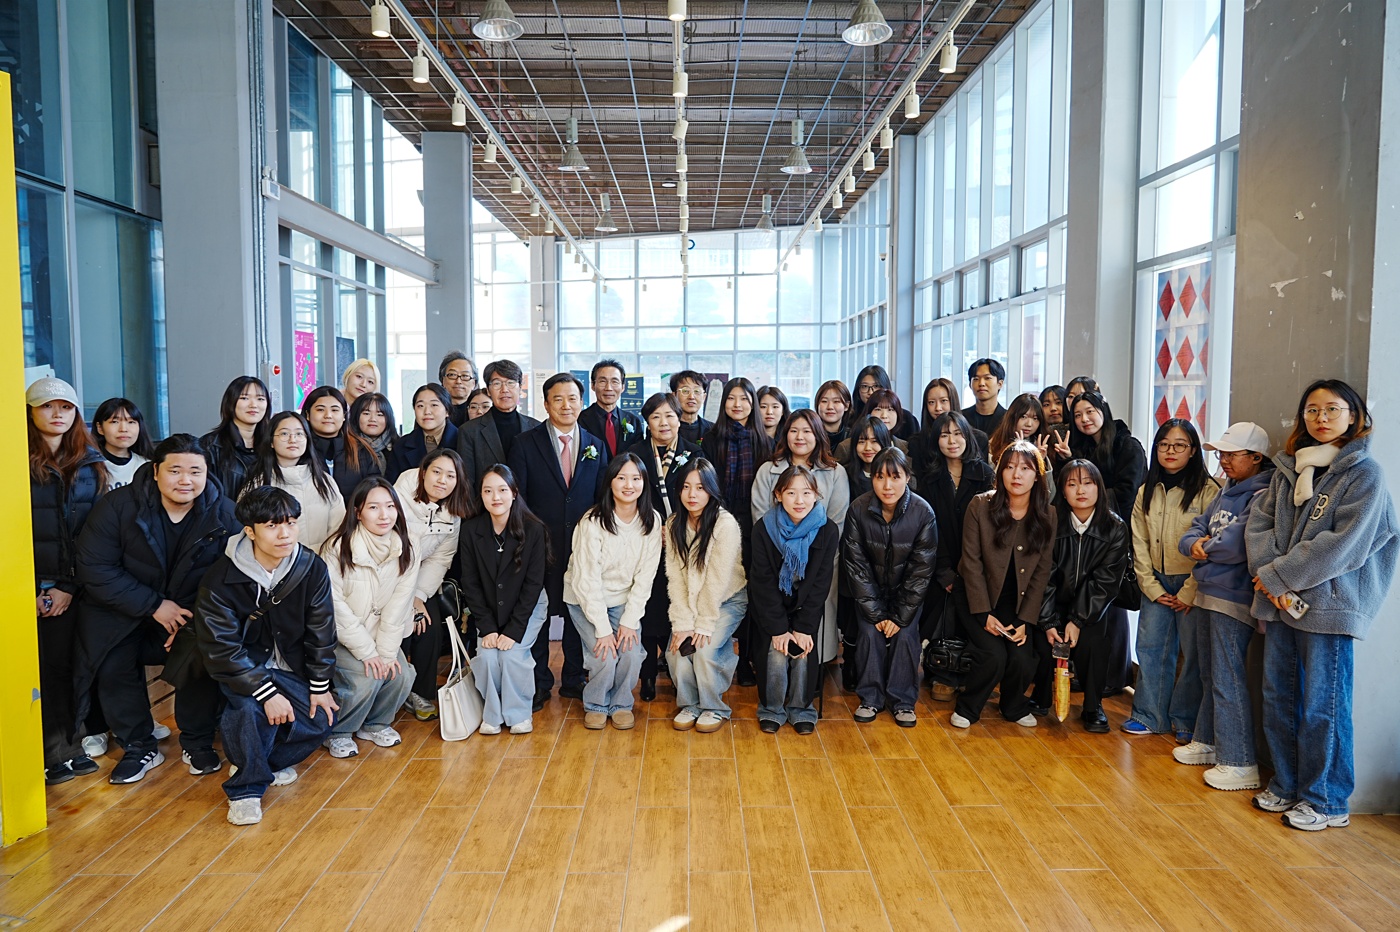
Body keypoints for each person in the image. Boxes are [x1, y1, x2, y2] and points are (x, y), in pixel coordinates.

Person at [1247, 379, 1397, 831]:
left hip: (1329, 606)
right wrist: (1272, 579)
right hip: (1282, 603)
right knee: (1279, 696)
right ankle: (1289, 784)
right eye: (1313, 410)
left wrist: (1276, 577)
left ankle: (1327, 799)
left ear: (1354, 417)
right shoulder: (1287, 468)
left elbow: (1344, 545)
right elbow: (1261, 526)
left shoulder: (1364, 474)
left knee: (1323, 705)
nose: (1322, 418)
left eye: (1333, 410)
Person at [74, 433, 240, 783]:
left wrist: (188, 617)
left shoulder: (224, 512)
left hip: (188, 612)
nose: (186, 480)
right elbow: (94, 568)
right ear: (154, 472)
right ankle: (138, 744)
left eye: (195, 471)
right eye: (175, 470)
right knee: (113, 658)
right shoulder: (118, 506)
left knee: (200, 651)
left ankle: (195, 740)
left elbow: (231, 575)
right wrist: (154, 605)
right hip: (121, 607)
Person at [193, 486, 338, 826]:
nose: (285, 533)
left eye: (291, 522)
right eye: (272, 525)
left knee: (323, 719)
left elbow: (322, 630)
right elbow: (221, 646)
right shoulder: (221, 576)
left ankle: (259, 760)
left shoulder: (310, 566)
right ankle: (246, 789)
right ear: (250, 531)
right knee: (247, 710)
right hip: (242, 669)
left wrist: (319, 684)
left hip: (291, 668)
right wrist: (267, 692)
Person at [1174, 422, 1274, 787]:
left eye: (1232, 454)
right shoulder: (1226, 490)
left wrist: (1205, 549)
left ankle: (1240, 760)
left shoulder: (1262, 493)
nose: (1224, 460)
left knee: (1227, 677)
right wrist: (1195, 545)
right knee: (1209, 673)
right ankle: (1209, 740)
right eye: (1222, 454)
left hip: (1234, 598)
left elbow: (1237, 545)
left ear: (1255, 458)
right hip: (1208, 591)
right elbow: (1194, 528)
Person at [507, 372, 608, 709]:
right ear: (546, 403)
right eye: (558, 399)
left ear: (582, 402)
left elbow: (600, 499)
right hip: (538, 546)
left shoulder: (596, 445)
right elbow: (517, 498)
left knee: (578, 613)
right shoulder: (524, 443)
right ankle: (538, 682)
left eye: (573, 398)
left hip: (581, 547)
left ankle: (575, 678)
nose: (566, 405)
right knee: (538, 613)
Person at [27, 377, 108, 784]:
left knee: (76, 667)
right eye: (47, 407)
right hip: (30, 586)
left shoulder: (90, 463)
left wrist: (67, 586)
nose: (57, 414)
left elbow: (93, 534)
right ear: (30, 412)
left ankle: (71, 744)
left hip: (76, 587)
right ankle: (49, 751)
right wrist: (37, 587)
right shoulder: (16, 462)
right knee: (45, 671)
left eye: (65, 407)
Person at [1122, 418, 1219, 741]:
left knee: (1191, 655)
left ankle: (1186, 720)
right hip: (1156, 583)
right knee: (1151, 649)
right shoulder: (1146, 491)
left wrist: (1190, 590)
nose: (1170, 451)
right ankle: (1150, 715)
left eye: (1179, 445)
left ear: (1193, 451)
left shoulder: (1209, 492)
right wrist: (1149, 585)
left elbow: (1213, 543)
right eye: (1164, 444)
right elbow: (1138, 541)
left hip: (1194, 582)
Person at [953, 440, 1056, 729]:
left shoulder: (1048, 514)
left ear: (1037, 475)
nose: (1016, 475)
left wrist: (1026, 620)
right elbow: (970, 563)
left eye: (1025, 468)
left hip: (1017, 603)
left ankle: (1012, 706)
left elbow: (1041, 573)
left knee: (1024, 658)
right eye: (1009, 467)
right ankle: (969, 706)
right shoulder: (980, 505)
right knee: (994, 655)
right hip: (977, 597)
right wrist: (984, 614)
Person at [320, 477, 419, 758]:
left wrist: (386, 654)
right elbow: (335, 606)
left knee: (400, 674)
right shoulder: (337, 547)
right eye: (374, 507)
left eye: (390, 506)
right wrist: (367, 652)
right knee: (366, 678)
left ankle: (375, 723)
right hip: (341, 636)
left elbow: (399, 605)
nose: (384, 514)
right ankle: (338, 731)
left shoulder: (407, 547)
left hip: (381, 633)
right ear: (357, 512)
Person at [563, 453, 663, 730]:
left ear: (644, 482)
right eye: (621, 478)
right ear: (610, 482)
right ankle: (596, 703)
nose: (628, 484)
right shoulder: (592, 521)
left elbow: (645, 577)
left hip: (624, 598)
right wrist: (603, 628)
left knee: (631, 652)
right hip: (585, 598)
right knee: (603, 654)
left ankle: (620, 703)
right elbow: (586, 580)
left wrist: (629, 622)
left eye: (636, 478)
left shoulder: (651, 521)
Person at [843, 447, 937, 727]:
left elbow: (921, 572)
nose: (887, 485)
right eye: (880, 477)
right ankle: (870, 698)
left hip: (906, 597)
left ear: (907, 477)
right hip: (869, 596)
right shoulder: (858, 509)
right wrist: (877, 614)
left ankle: (903, 701)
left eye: (895, 477)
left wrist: (897, 617)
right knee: (869, 634)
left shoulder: (923, 512)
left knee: (906, 636)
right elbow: (856, 567)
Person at [1062, 390, 1146, 695]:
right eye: (1078, 414)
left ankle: (1115, 675)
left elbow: (1129, 491)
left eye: (1090, 412)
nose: (1085, 419)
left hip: (1118, 531)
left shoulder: (1127, 444)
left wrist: (1094, 503)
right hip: (1087, 530)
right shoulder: (1084, 446)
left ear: (1104, 410)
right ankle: (1091, 673)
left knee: (1113, 600)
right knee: (1090, 600)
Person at [1038, 459, 1129, 733]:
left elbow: (1105, 582)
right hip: (1053, 604)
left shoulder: (1115, 527)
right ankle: (1040, 697)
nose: (1081, 490)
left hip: (1092, 608)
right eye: (1072, 484)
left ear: (1099, 488)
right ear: (1062, 490)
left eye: (1088, 483)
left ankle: (1093, 705)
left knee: (1095, 641)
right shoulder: (1050, 521)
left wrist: (1077, 619)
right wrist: (1049, 620)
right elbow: (1044, 576)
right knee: (1041, 639)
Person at [752, 410, 849, 665]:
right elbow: (760, 515)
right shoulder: (768, 470)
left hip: (818, 555)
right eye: (794, 430)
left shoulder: (835, 471)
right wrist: (786, 546)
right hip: (775, 554)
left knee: (814, 611)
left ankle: (816, 661)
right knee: (773, 608)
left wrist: (808, 548)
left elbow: (836, 521)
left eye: (807, 431)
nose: (800, 437)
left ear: (817, 435)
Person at [462, 465, 550, 735]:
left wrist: (512, 630)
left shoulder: (533, 529)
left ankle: (518, 713)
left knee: (512, 655)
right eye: (488, 491)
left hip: (528, 607)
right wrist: (487, 627)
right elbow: (471, 584)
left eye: (502, 490)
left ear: (514, 493)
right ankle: (492, 713)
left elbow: (533, 585)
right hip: (487, 608)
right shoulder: (471, 530)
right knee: (487, 656)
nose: (495, 497)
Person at [751, 465, 839, 734]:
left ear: (816, 495)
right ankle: (772, 708)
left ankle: (801, 708)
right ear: (778, 495)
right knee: (777, 652)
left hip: (806, 607)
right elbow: (762, 583)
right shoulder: (763, 528)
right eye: (791, 493)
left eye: (806, 492)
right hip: (771, 605)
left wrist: (803, 627)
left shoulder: (828, 530)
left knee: (802, 649)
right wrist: (779, 629)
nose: (799, 500)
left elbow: (821, 584)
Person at [628, 392, 702, 701]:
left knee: (678, 606)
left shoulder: (695, 453)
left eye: (670, 415)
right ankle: (646, 677)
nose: (664, 422)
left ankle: (675, 671)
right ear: (647, 421)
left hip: (682, 543)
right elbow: (624, 493)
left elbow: (704, 496)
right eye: (656, 416)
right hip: (643, 541)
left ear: (679, 418)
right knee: (647, 608)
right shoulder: (634, 454)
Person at [666, 459, 749, 733]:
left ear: (711, 490)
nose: (692, 495)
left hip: (727, 599)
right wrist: (682, 622)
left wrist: (703, 623)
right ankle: (690, 704)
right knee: (677, 650)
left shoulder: (725, 524)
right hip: (690, 602)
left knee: (704, 649)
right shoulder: (674, 524)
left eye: (700, 488)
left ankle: (714, 707)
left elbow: (716, 580)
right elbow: (675, 577)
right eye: (687, 487)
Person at [919, 411, 995, 702]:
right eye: (944, 434)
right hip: (939, 563)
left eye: (958, 434)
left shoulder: (985, 475)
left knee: (974, 616)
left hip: (976, 564)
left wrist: (969, 570)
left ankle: (970, 674)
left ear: (968, 437)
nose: (952, 441)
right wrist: (944, 571)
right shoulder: (928, 478)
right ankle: (943, 671)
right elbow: (927, 529)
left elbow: (988, 529)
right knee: (943, 616)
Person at [701, 377, 773, 686]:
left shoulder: (765, 442)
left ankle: (745, 660)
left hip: (753, 522)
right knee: (718, 584)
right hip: (718, 521)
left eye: (744, 399)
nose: (737, 404)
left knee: (749, 589)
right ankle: (713, 653)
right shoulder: (711, 438)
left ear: (752, 404)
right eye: (731, 398)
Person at [394, 449, 470, 722]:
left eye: (451, 476)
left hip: (417, 582)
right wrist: (405, 597)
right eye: (436, 472)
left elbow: (440, 559)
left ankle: (421, 692)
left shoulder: (453, 513)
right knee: (398, 626)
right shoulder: (400, 495)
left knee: (429, 622)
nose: (442, 480)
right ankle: (394, 688)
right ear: (423, 472)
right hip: (386, 580)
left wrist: (419, 596)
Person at [838, 416, 898, 690]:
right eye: (862, 440)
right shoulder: (845, 474)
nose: (868, 447)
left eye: (875, 440)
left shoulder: (897, 479)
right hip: (853, 558)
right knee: (852, 620)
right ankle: (851, 667)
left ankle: (881, 673)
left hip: (889, 561)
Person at [243, 411, 345, 552]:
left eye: (299, 434)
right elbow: (249, 535)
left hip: (322, 564)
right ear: (271, 441)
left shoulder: (324, 481)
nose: (293, 440)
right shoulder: (257, 485)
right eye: (284, 434)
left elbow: (339, 530)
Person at [456, 359, 541, 504]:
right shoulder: (469, 431)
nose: (504, 389)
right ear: (488, 390)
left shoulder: (536, 428)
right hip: (485, 512)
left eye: (510, 383)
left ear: (520, 388)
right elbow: (467, 484)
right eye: (497, 383)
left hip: (528, 513)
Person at [201, 376, 271, 498]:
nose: (253, 405)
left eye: (260, 398)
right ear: (230, 403)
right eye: (244, 398)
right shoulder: (210, 445)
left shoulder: (272, 443)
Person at [388, 383, 460, 482]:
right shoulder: (401, 445)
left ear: (447, 410)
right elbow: (393, 486)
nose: (427, 411)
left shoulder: (462, 440)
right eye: (420, 406)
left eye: (434, 405)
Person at [580, 358, 645, 459]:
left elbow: (638, 458)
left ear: (623, 387)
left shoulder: (633, 421)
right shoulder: (580, 420)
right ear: (593, 385)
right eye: (602, 381)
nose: (608, 388)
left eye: (614, 382)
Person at [338, 391, 395, 500]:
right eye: (366, 413)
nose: (373, 419)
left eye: (380, 414)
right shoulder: (344, 447)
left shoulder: (398, 447)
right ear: (355, 416)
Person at [92, 397, 155, 489]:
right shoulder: (89, 466)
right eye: (114, 422)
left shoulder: (147, 466)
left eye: (131, 422)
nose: (123, 429)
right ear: (100, 428)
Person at [834, 390, 911, 463]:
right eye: (878, 409)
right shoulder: (846, 447)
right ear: (868, 412)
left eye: (890, 410)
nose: (884, 416)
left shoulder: (905, 447)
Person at [853, 365, 919, 439]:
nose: (870, 392)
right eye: (865, 386)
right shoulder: (851, 418)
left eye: (876, 386)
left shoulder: (907, 419)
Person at [302, 386, 351, 483]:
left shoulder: (360, 451)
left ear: (344, 416)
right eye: (320, 410)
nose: (328, 415)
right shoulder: (298, 450)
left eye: (335, 410)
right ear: (308, 415)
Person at [987, 392, 1052, 466]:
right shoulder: (994, 444)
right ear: (1012, 417)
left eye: (1035, 418)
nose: (1029, 424)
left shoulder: (1043, 445)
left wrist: (1039, 461)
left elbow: (1048, 477)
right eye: (1023, 417)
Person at [962, 358, 1007, 437]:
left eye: (987, 378)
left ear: (1000, 384)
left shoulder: (1009, 419)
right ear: (970, 385)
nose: (981, 383)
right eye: (976, 379)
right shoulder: (961, 418)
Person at [669, 370, 712, 445]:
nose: (691, 397)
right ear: (674, 395)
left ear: (704, 397)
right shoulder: (665, 429)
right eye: (685, 391)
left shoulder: (713, 430)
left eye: (697, 391)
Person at [438, 351, 479, 426]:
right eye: (452, 375)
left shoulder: (481, 409)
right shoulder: (434, 408)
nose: (458, 381)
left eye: (465, 376)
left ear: (474, 383)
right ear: (443, 380)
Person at [815, 379, 852, 450]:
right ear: (817, 405)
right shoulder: (810, 435)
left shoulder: (853, 437)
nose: (830, 407)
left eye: (836, 401)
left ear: (846, 406)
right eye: (824, 401)